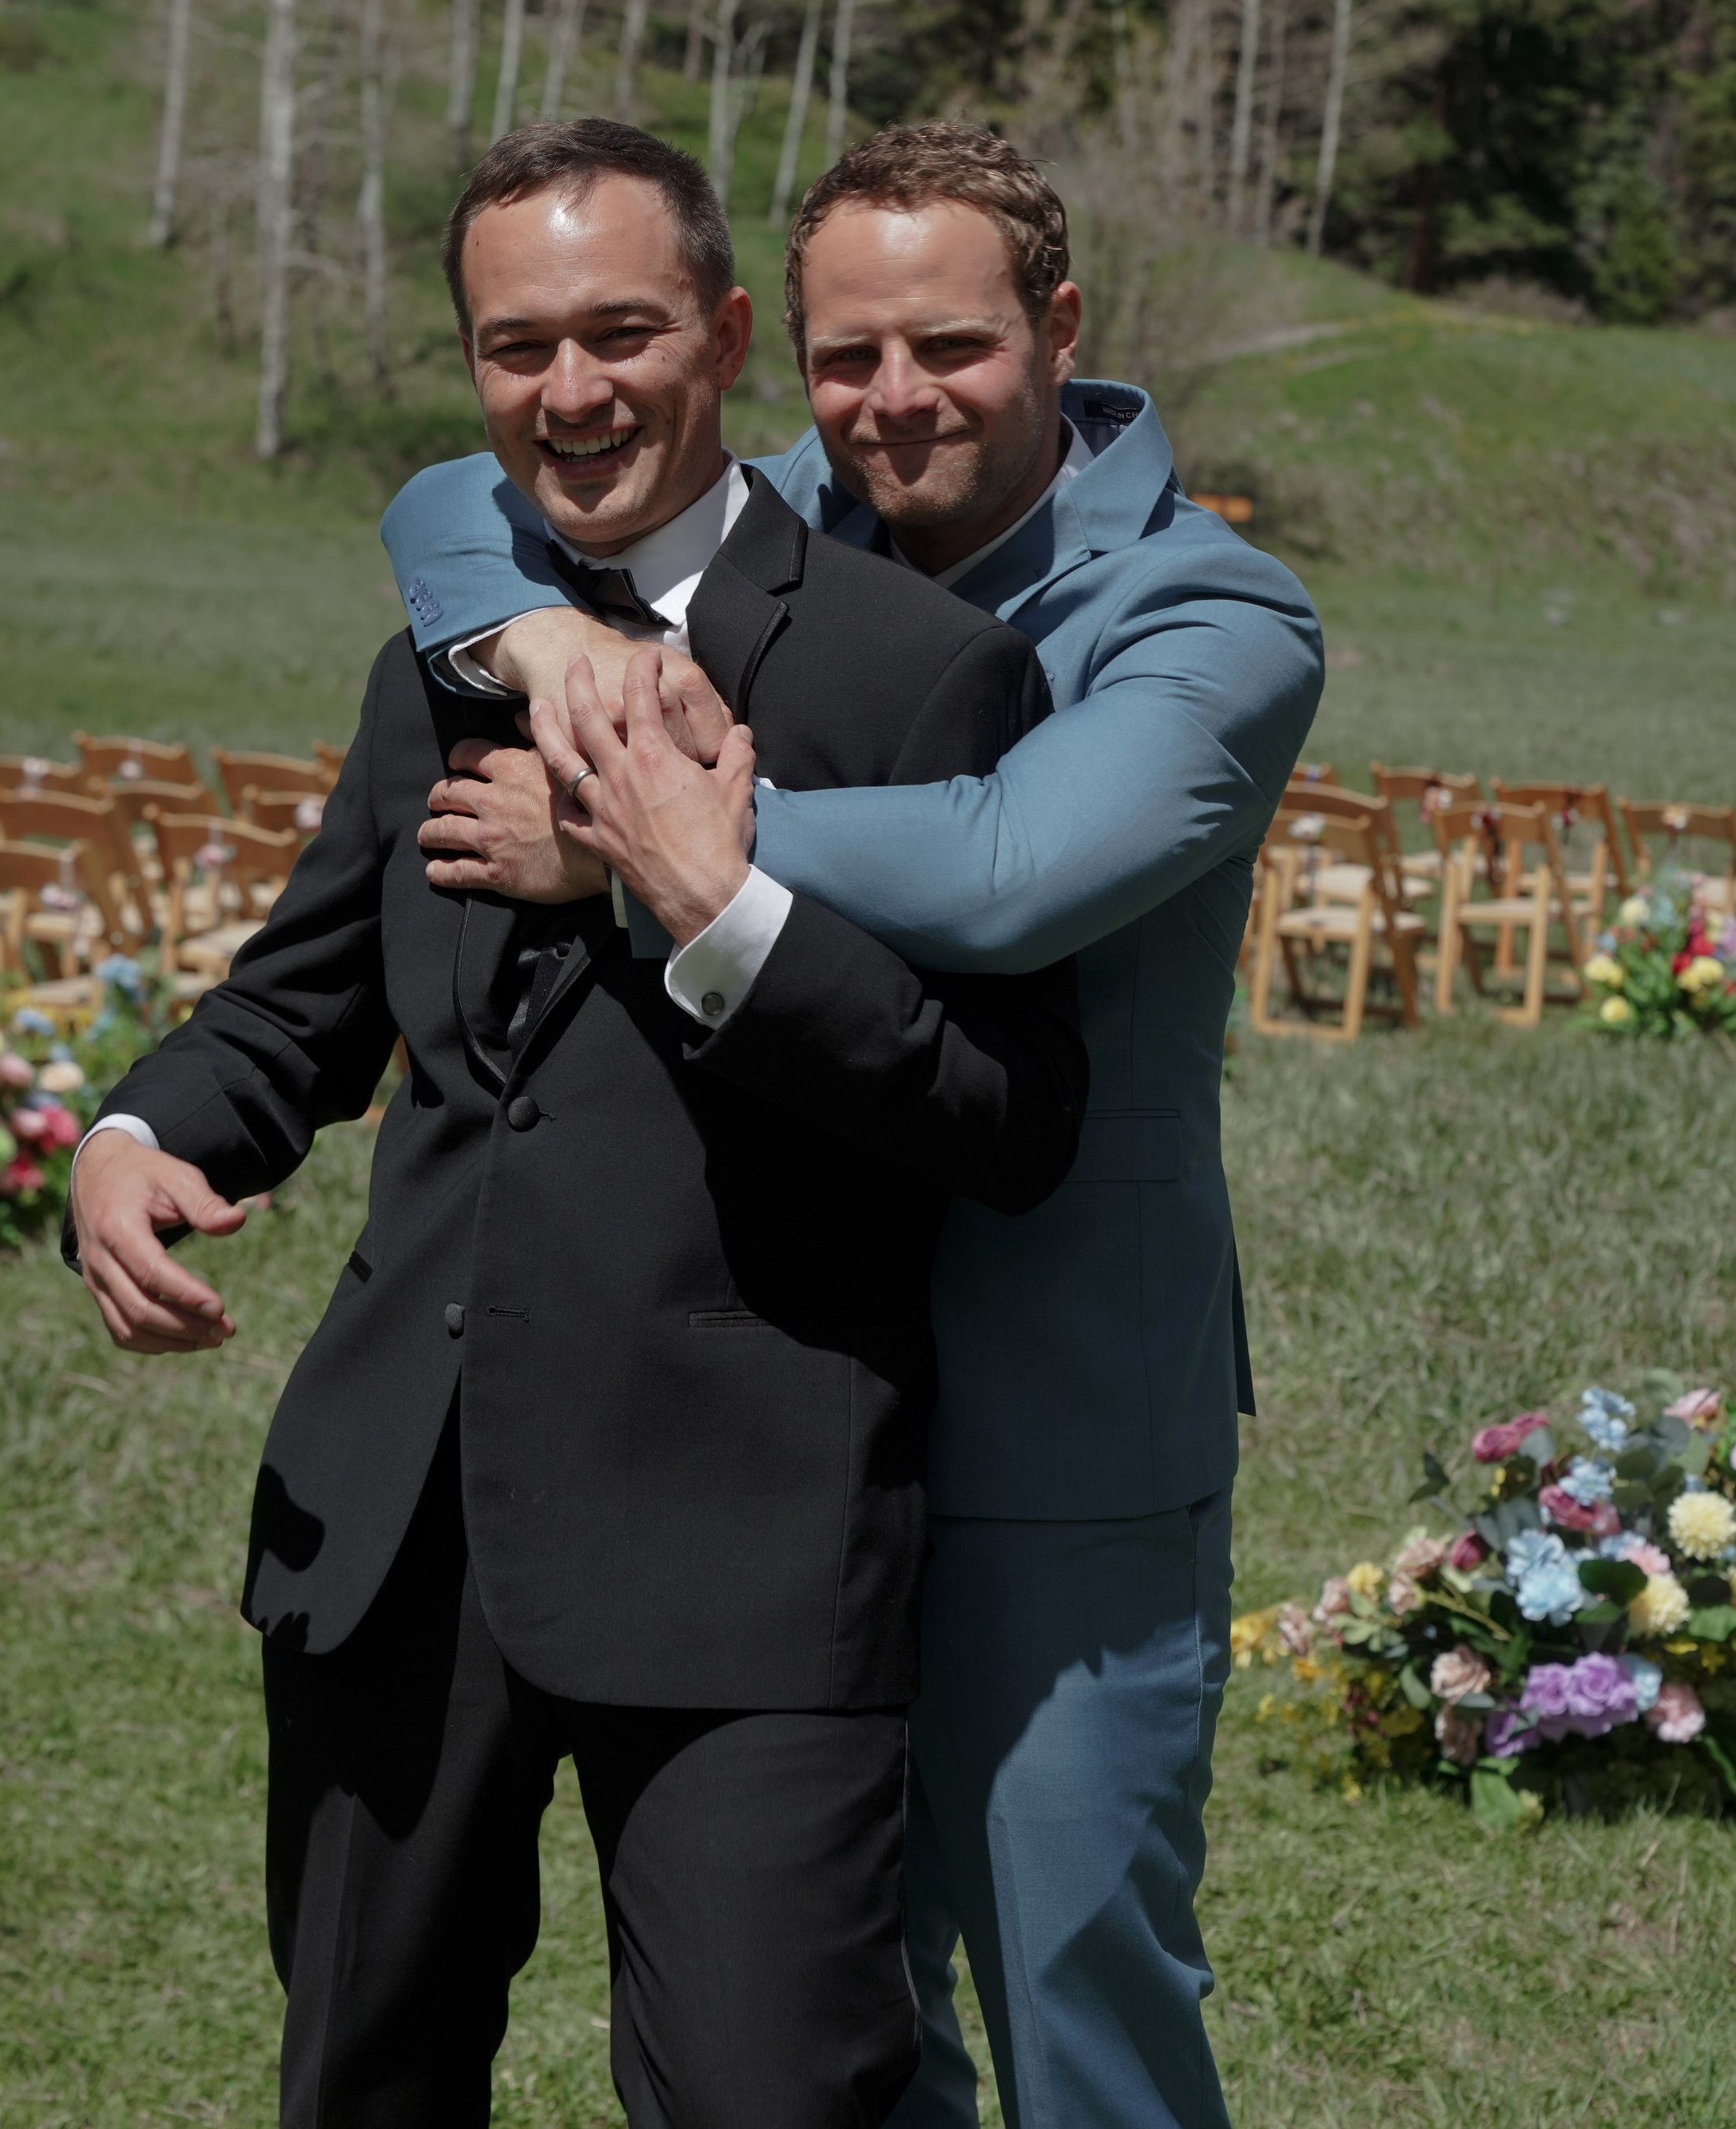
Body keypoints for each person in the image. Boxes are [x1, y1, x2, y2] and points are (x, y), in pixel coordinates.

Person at [65, 119, 1088, 2129]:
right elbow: (295, 1006)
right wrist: (133, 1135)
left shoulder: (923, 675)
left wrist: (699, 901)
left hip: (745, 1549)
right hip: (393, 1529)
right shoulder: (444, 667)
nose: (571, 391)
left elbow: (1005, 1116)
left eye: (621, 332)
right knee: (362, 2085)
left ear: (726, 338)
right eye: (515, 347)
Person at [382, 121, 1325, 2129]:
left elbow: (1005, 866)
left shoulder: (1214, 614)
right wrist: (546, 638)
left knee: (1076, 1998)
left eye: (951, 347)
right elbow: (449, 499)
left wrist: (636, 840)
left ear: (1059, 328)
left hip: (1052, 1413)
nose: (895, 402)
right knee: (830, 2021)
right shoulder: (808, 519)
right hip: (781, 1406)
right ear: (772, 353)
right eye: (844, 359)